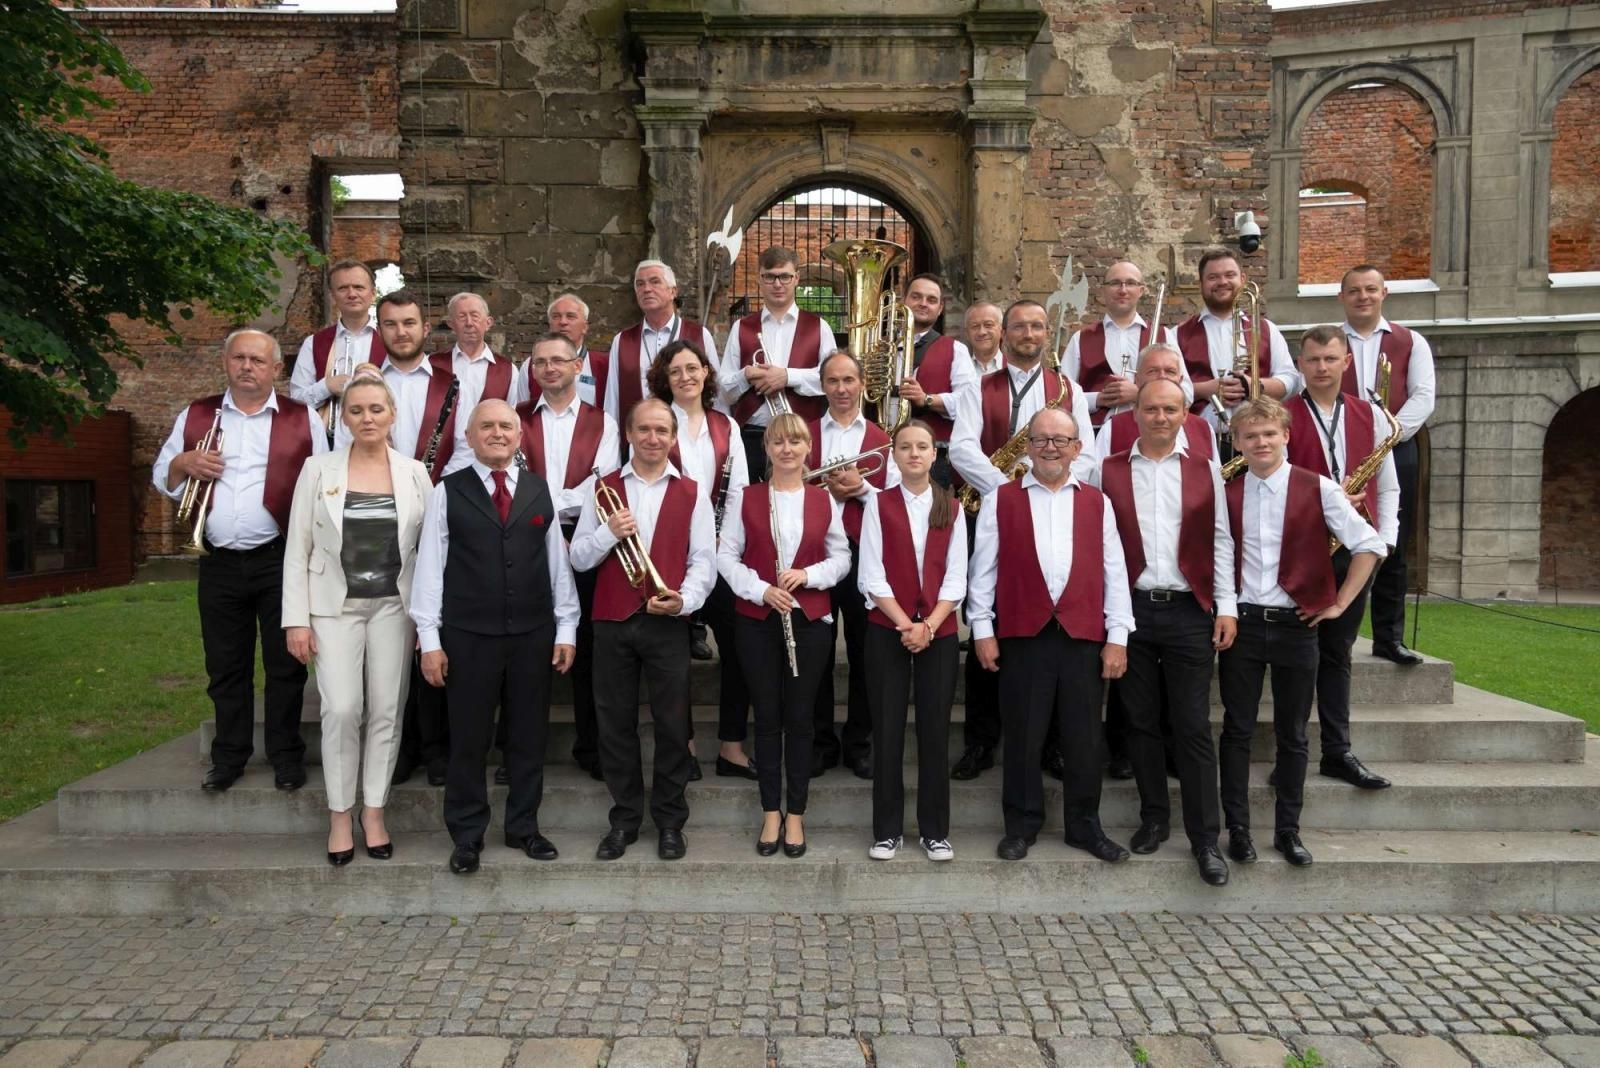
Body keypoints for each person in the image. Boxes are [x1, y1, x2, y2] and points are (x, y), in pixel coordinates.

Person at [152, 329, 328, 792]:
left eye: (258, 360)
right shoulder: (196, 414)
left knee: (285, 664)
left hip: (279, 559)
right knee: (225, 665)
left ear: (276, 369)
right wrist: (183, 463)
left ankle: (285, 756)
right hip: (218, 562)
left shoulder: (303, 417)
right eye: (239, 358)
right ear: (225, 362)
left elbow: (324, 483)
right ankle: (229, 757)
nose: (247, 367)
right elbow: (162, 475)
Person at [410, 399, 579, 875]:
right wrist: (429, 639)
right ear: (469, 436)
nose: (497, 433)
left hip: (532, 633)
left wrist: (566, 626)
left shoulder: (539, 489)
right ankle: (467, 834)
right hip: (468, 635)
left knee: (528, 736)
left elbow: (556, 565)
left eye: (506, 425)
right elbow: (430, 567)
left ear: (519, 436)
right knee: (468, 739)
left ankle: (524, 826)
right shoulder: (447, 491)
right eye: (487, 426)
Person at [1218, 397, 1385, 870]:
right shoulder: (1228, 493)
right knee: (1237, 730)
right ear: (1238, 442)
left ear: (1286, 436)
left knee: (1293, 734)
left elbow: (1369, 545)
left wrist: (1339, 603)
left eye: (1269, 433)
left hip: (1297, 626)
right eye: (1251, 436)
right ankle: (1238, 830)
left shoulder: (1319, 487)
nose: (1261, 442)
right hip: (1244, 625)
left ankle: (1288, 831)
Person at [968, 407, 1133, 862]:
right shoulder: (1001, 499)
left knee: (1084, 738)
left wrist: (1118, 636)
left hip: (1083, 635)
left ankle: (1085, 827)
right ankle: (1021, 825)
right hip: (1024, 634)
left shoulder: (1097, 502)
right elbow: (983, 571)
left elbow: (1115, 572)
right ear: (1027, 447)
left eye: (1060, 440)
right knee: (1023, 736)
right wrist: (982, 629)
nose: (1050, 448)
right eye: (1041, 439)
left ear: (1077, 448)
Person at [281, 372, 432, 865]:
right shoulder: (317, 469)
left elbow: (431, 551)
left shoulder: (414, 472)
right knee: (342, 708)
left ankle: (374, 811)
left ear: (392, 415)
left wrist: (430, 621)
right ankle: (340, 814)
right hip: (333, 608)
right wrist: (295, 620)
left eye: (376, 409)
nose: (367, 418)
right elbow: (298, 547)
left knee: (388, 709)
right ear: (343, 418)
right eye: (356, 410)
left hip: (394, 607)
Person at [1095, 378, 1237, 886]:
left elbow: (1220, 539)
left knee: (1192, 726)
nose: (1160, 418)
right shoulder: (1107, 469)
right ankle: (1154, 818)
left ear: (1184, 415)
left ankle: (1205, 839)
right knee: (1139, 722)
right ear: (1135, 412)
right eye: (1151, 409)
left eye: (1170, 410)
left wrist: (1227, 605)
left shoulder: (1205, 468)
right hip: (1130, 609)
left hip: (1188, 611)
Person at [948, 299, 1094, 782]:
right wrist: (1008, 489)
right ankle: (980, 741)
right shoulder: (977, 387)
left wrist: (1045, 485)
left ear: (1047, 332)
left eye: (1036, 326)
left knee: (1050, 621)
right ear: (1004, 333)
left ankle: (1052, 743)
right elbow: (962, 449)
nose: (1028, 334)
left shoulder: (1068, 389)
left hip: (1055, 509)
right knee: (987, 616)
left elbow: (1087, 455)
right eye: (1019, 327)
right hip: (995, 508)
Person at [570, 398, 716, 861]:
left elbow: (703, 561)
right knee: (615, 726)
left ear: (673, 438)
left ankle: (670, 822)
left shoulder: (692, 492)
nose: (653, 438)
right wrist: (608, 532)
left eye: (661, 430)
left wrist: (685, 601)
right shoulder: (602, 490)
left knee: (673, 726)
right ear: (629, 434)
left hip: (667, 623)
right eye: (644, 429)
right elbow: (578, 558)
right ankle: (625, 820)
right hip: (612, 622)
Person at [717, 413, 850, 858]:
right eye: (778, 442)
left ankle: (797, 814)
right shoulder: (747, 498)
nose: (787, 449)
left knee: (801, 719)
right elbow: (726, 557)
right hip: (758, 620)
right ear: (767, 449)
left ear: (808, 447)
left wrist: (807, 576)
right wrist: (761, 590)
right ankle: (770, 811)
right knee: (768, 718)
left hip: (809, 621)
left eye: (795, 441)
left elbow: (841, 559)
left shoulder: (823, 499)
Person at [1284, 326, 1400, 791]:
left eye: (1330, 359)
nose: (1321, 367)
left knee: (1338, 654)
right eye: (1313, 359)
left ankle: (1338, 751)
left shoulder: (1372, 416)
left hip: (1353, 551)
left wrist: (1384, 541)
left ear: (1346, 362)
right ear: (1300, 363)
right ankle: (1291, 754)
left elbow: (1388, 485)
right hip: (1302, 550)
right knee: (1297, 659)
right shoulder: (1283, 415)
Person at [364, 289, 461, 788]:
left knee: (432, 628)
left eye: (409, 323)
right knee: (386, 636)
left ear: (426, 328)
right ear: (379, 330)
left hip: (433, 515)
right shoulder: (365, 384)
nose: (400, 332)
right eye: (390, 324)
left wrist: (432, 497)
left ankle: (437, 746)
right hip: (375, 518)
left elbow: (465, 449)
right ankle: (396, 746)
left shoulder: (451, 384)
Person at [514, 332, 620, 785]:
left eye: (559, 360)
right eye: (541, 361)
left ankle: (591, 746)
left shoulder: (604, 422)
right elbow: (508, 474)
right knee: (525, 645)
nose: (550, 368)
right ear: (532, 369)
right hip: (525, 538)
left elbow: (603, 481)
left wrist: (548, 502)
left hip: (584, 535)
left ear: (578, 366)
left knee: (589, 648)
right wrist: (544, 506)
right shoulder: (514, 419)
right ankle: (521, 750)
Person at [859, 420, 967, 862]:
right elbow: (872, 574)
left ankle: (934, 831)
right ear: (895, 454)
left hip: (938, 632)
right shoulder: (878, 504)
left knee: (934, 731)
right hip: (889, 629)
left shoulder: (952, 507)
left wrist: (930, 625)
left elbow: (957, 577)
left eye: (923, 446)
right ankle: (887, 831)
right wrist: (907, 625)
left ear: (934, 455)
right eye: (905, 447)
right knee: (887, 730)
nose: (915, 453)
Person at [648, 338, 756, 779]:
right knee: (673, 660)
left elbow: (740, 491)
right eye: (675, 371)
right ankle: (685, 746)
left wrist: (720, 543)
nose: (685, 377)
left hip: (720, 551)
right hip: (671, 554)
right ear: (665, 378)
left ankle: (731, 747)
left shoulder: (726, 425)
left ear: (706, 373)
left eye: (692, 368)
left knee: (740, 648)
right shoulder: (655, 423)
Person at [1339, 265, 1436, 666]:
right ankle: (1334, 636)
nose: (1363, 296)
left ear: (1384, 293)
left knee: (1392, 542)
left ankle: (1388, 639)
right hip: (1342, 451)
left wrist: (1385, 436)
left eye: (1370, 289)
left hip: (1396, 450)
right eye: (1354, 290)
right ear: (1342, 297)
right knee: (1336, 542)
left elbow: (1423, 397)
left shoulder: (1411, 341)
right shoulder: (1330, 341)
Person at [808, 350, 898, 779]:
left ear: (862, 384)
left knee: (866, 652)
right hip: (815, 555)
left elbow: (898, 504)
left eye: (849, 380)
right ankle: (820, 743)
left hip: (865, 554)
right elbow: (787, 491)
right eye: (833, 381)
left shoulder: (883, 438)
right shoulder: (806, 434)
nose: (841, 389)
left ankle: (859, 743)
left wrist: (862, 489)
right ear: (822, 386)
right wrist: (828, 494)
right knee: (817, 653)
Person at [719, 246, 835, 483]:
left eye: (785, 276)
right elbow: (724, 390)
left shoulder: (819, 327)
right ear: (759, 279)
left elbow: (832, 380)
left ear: (797, 278)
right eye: (769, 277)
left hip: (801, 437)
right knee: (751, 502)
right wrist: (745, 375)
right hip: (752, 437)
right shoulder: (741, 327)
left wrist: (787, 377)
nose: (778, 284)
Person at [1174, 248, 1300, 441]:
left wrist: (1254, 385)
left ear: (1242, 279)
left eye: (1229, 275)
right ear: (1201, 284)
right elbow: (1167, 388)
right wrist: (1206, 389)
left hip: (1258, 441)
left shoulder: (1267, 329)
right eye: (1213, 277)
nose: (1222, 282)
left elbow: (1291, 381)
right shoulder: (1177, 334)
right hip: (1201, 440)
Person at [606, 261, 720, 442]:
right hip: (641, 442)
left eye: (655, 281)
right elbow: (612, 400)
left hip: (691, 438)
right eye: (640, 284)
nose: (646, 289)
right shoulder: (622, 341)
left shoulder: (699, 335)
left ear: (673, 291)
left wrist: (718, 437)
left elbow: (716, 392)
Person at [1064, 260, 1186, 428]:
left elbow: (1187, 392)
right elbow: (1062, 394)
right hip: (1097, 432)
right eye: (1115, 283)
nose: (1123, 290)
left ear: (1141, 290)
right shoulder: (1080, 338)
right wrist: (1097, 399)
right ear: (1104, 290)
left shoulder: (1164, 335)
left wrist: (1140, 394)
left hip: (1152, 430)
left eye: (1130, 283)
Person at [897, 273, 976, 485]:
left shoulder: (956, 349)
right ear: (904, 300)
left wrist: (927, 399)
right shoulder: (880, 346)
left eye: (931, 300)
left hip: (933, 458)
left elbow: (968, 402)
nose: (923, 303)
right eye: (916, 297)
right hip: (885, 451)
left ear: (940, 309)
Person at [288, 260, 387, 421]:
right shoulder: (313, 343)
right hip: (327, 435)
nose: (352, 294)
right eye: (343, 288)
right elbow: (296, 403)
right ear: (333, 296)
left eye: (359, 287)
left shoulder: (390, 341)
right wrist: (326, 386)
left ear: (373, 293)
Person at [431, 292, 515, 477]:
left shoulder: (508, 370)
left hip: (488, 470)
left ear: (488, 322)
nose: (469, 323)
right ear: (451, 324)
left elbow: (513, 424)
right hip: (438, 465)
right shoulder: (432, 365)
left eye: (475, 316)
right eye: (462, 317)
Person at [1094, 344, 1212, 462]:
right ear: (1137, 380)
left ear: (1180, 380)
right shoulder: (1111, 429)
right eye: (1152, 371)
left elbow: (1216, 473)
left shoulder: (1204, 429)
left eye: (1170, 371)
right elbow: (1099, 473)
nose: (1162, 377)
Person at [520, 293, 611, 410]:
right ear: (550, 325)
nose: (563, 322)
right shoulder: (532, 365)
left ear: (585, 327)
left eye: (570, 316)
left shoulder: (605, 365)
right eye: (556, 316)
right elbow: (522, 413)